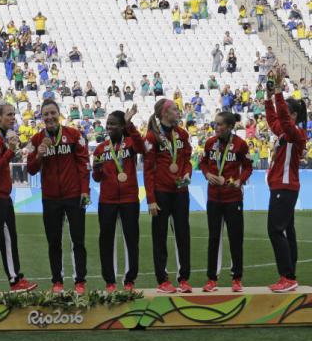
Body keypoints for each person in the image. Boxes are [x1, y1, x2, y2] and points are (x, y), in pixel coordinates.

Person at [26, 99, 90, 294]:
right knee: (54, 241)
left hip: (73, 196)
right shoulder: (36, 140)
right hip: (50, 198)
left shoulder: (73, 135)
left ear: (59, 113)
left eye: (53, 113)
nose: (50, 117)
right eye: (46, 114)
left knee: (77, 240)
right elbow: (31, 169)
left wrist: (85, 190)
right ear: (42, 117)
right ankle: (57, 282)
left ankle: (79, 281)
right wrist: (38, 155)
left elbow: (83, 163)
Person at [0, 103, 37, 294]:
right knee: (2, 240)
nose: (13, 117)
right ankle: (7, 281)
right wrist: (10, 150)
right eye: (9, 114)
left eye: (14, 114)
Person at [92, 106, 143, 292]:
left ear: (122, 126)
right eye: (108, 124)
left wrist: (131, 124)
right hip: (107, 200)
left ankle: (129, 280)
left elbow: (142, 147)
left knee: (131, 239)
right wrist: (96, 169)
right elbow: (96, 178)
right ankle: (110, 281)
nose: (109, 127)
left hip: (129, 199)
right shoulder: (100, 149)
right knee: (106, 241)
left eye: (113, 124)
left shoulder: (130, 143)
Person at [200, 111, 252, 292]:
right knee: (214, 238)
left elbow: (248, 166)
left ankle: (237, 279)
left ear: (230, 127)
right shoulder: (209, 143)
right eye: (215, 123)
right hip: (214, 198)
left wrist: (239, 181)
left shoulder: (240, 145)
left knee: (235, 239)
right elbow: (202, 163)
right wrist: (207, 174)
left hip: (233, 198)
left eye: (220, 124)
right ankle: (211, 279)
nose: (217, 127)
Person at [144, 98, 193, 294]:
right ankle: (162, 280)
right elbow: (147, 171)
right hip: (161, 193)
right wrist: (151, 200)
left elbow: (187, 159)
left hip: (181, 192)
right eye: (174, 109)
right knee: (160, 237)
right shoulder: (151, 137)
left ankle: (184, 279)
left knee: (183, 235)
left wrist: (188, 173)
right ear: (164, 113)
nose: (178, 111)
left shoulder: (182, 134)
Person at [263, 66, 305, 292]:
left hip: (285, 187)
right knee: (287, 231)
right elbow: (272, 119)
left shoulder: (295, 133)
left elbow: (283, 121)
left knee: (275, 230)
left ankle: (287, 277)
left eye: (285, 113)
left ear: (294, 115)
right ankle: (289, 275)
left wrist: (279, 91)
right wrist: (269, 95)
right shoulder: (284, 130)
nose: (281, 117)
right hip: (281, 186)